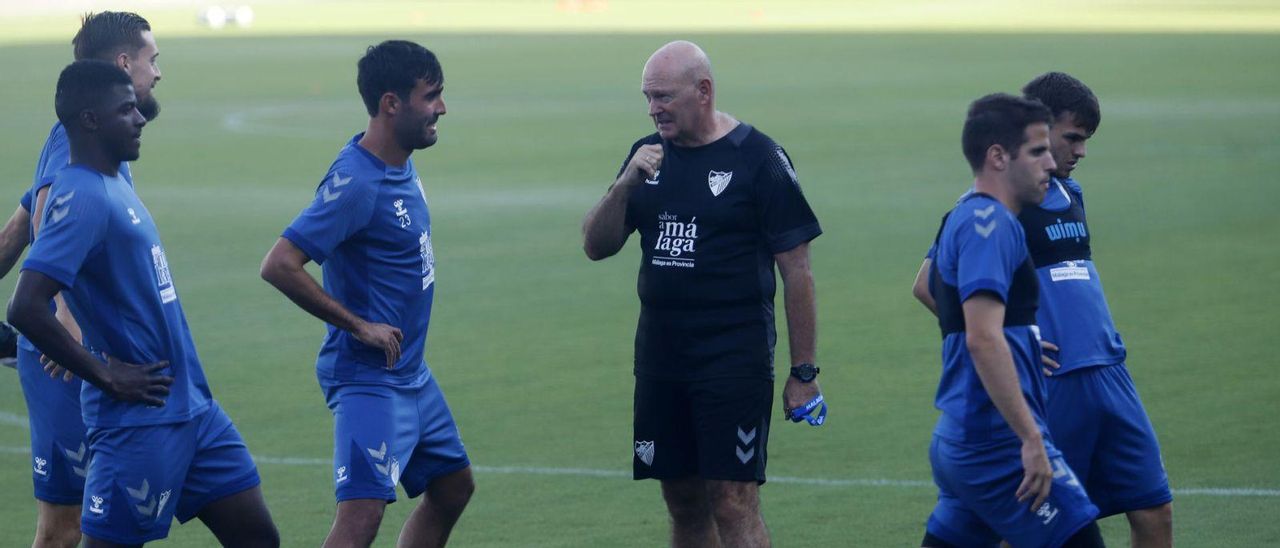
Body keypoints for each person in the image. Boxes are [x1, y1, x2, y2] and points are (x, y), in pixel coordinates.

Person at [8, 59, 278, 548]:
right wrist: (106, 374)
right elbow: (25, 306)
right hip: (138, 423)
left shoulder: (114, 183)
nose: (140, 118)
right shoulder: (80, 195)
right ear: (90, 120)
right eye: (126, 110)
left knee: (258, 538)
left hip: (195, 410)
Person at [582, 40, 823, 548]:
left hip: (733, 357)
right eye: (648, 97)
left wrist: (804, 372)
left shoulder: (759, 159)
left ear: (704, 91)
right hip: (661, 357)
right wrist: (624, 185)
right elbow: (595, 246)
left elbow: (797, 271)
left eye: (664, 96)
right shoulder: (645, 156)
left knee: (733, 502)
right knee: (683, 500)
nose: (654, 108)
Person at [260, 40, 473, 548]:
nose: (442, 108)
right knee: (359, 522)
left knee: (452, 488)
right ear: (391, 103)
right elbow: (279, 265)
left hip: (411, 373)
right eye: (431, 96)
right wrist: (358, 325)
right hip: (368, 380)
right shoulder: (356, 183)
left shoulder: (398, 161)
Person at [0, 11, 163, 547]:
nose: (157, 73)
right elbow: (46, 212)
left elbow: (15, 231)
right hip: (63, 359)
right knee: (63, 529)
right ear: (123, 63)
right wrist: (65, 320)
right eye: (151, 59)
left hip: (73, 354)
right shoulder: (80, 141)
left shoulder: (90, 136)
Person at [919, 93, 1103, 548]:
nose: (1049, 164)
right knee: (1080, 536)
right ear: (998, 157)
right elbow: (982, 338)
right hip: (995, 444)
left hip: (962, 438)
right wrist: (1031, 439)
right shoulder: (992, 225)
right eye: (1038, 151)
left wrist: (1015, 343)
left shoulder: (967, 218)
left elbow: (979, 327)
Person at [1018, 72, 1173, 546]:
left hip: (1110, 371)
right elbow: (930, 284)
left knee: (1154, 509)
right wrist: (1012, 338)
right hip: (1055, 383)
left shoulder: (1073, 195)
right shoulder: (997, 204)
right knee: (1035, 524)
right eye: (1074, 138)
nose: (1081, 151)